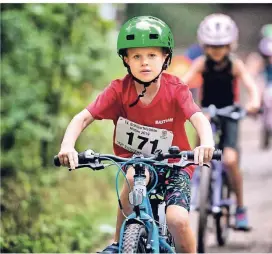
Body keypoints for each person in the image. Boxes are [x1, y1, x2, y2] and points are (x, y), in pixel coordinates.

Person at [57, 16, 216, 253]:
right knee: (132, 177)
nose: (145, 63)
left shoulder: (176, 90)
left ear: (165, 58)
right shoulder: (118, 91)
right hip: (139, 163)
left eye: (152, 55)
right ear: (126, 60)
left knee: (177, 220)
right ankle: (118, 242)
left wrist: (207, 143)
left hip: (175, 165)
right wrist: (67, 146)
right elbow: (82, 118)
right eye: (136, 56)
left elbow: (198, 118)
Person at [182, 13, 260, 230]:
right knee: (197, 155)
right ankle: (193, 192)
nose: (216, 51)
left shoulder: (235, 65)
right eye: (211, 46)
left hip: (230, 115)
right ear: (204, 46)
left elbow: (250, 85)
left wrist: (254, 102)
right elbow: (183, 83)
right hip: (205, 114)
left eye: (222, 46)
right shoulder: (201, 63)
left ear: (230, 46)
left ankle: (241, 207)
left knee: (230, 160)